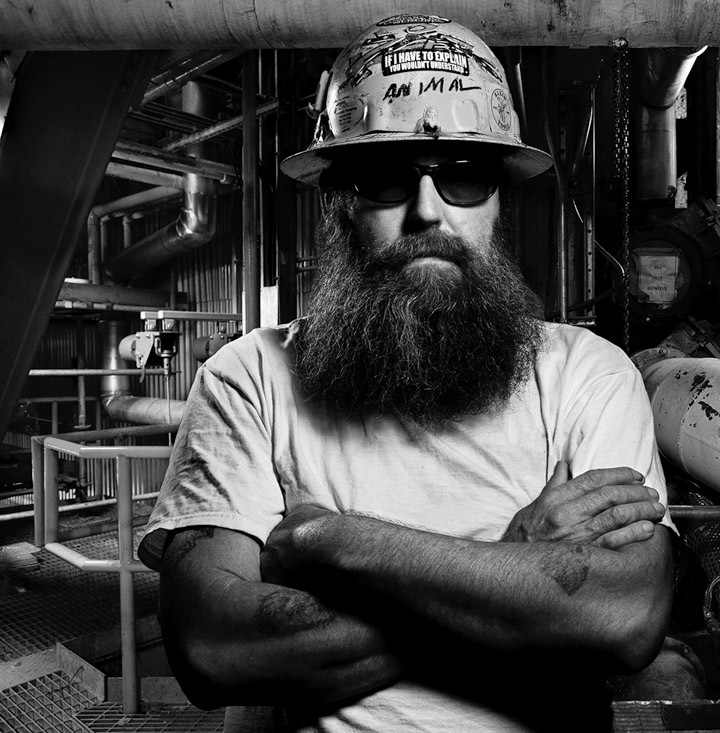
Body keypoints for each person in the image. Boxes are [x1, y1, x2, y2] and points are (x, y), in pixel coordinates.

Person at [137, 14, 673, 733]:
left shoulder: (587, 375)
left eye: (465, 177)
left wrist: (328, 542)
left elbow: (627, 613)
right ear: (338, 201)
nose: (427, 211)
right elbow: (212, 646)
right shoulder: (250, 378)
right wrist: (513, 568)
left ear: (499, 201)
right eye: (387, 178)